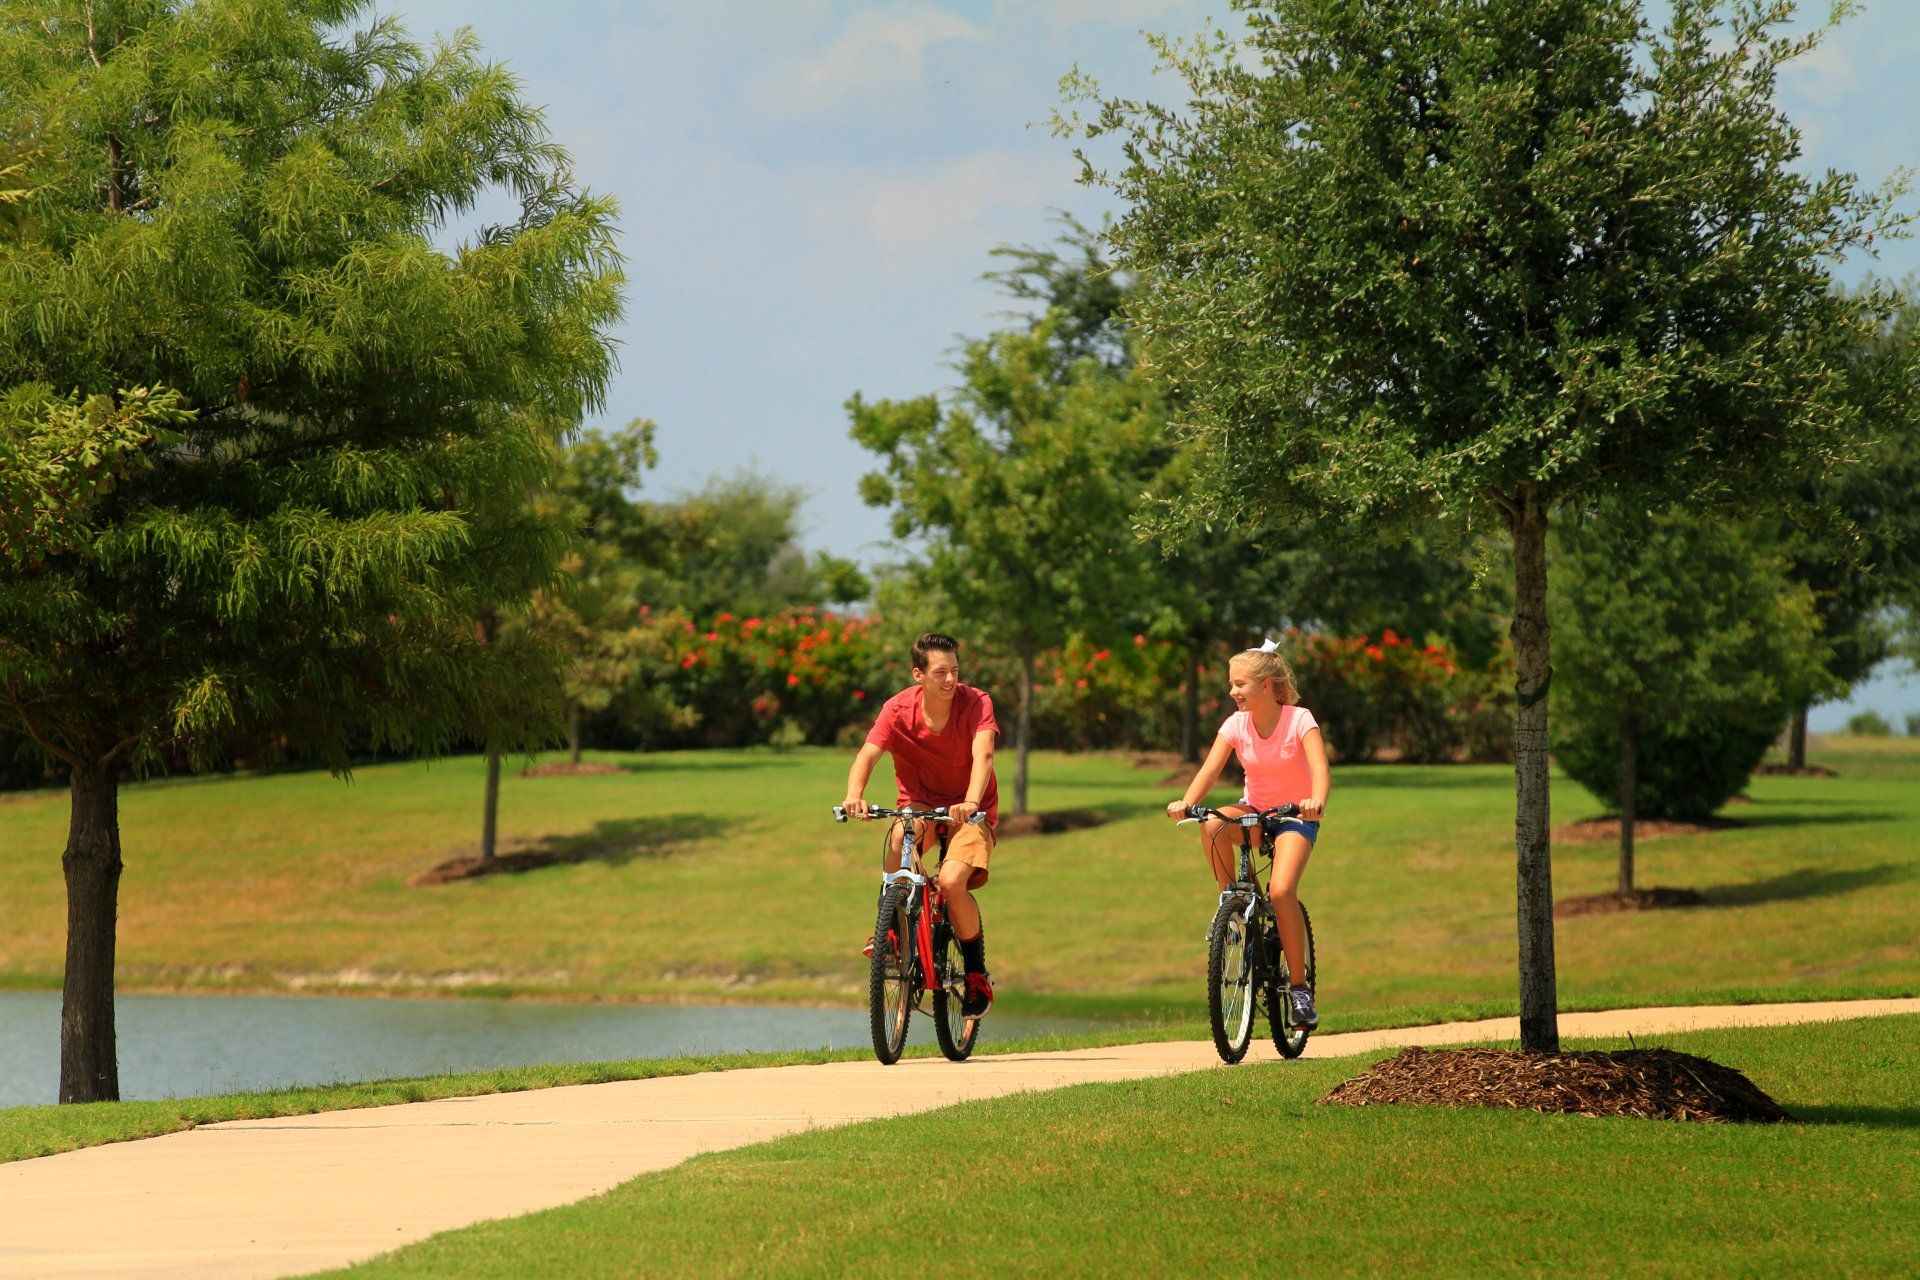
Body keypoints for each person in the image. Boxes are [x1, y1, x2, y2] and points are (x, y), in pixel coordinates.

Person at [1166, 640, 1330, 1029]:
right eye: (1230, 684)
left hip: (1293, 816)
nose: (1232, 692)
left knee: (1281, 892)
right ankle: (1234, 906)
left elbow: (1320, 769)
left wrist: (1315, 801)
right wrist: (1187, 801)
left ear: (1268, 686)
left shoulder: (1299, 720)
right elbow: (1209, 770)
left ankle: (1299, 990)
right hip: (1254, 811)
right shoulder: (1235, 724)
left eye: (1240, 684)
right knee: (1213, 822)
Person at [842, 632, 1000, 1017]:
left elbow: (985, 757)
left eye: (955, 671)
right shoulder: (897, 710)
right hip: (922, 804)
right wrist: (854, 794)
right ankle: (892, 931)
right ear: (919, 674)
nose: (951, 681)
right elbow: (867, 756)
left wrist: (971, 802)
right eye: (941, 672)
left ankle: (976, 974)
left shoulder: (976, 702)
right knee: (900, 837)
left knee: (950, 882)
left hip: (970, 809)